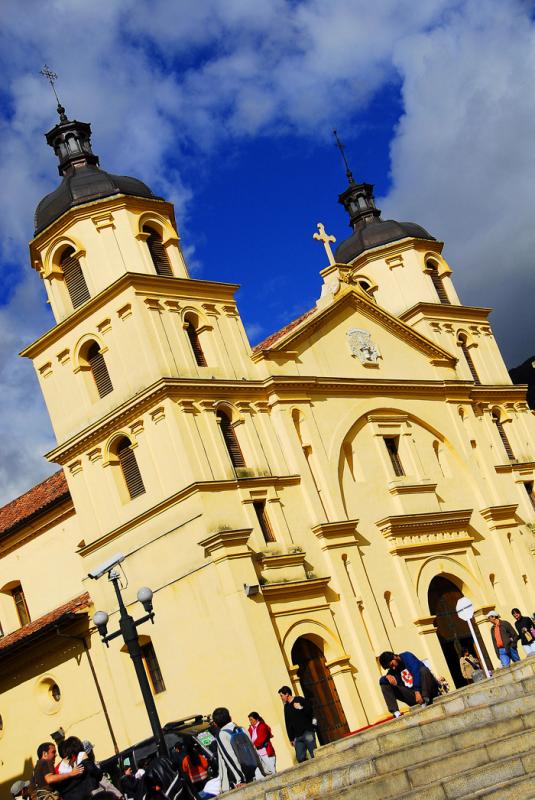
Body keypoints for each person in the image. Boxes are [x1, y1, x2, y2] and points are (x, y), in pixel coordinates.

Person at [211, 706, 263, 791]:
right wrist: (263, 770)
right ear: (230, 717)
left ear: (216, 724)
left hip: (240, 780)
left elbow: (230, 758)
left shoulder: (222, 735)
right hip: (255, 772)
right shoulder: (242, 729)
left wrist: (240, 779)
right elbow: (253, 750)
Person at [378, 651, 440, 717]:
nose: (393, 668)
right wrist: (385, 678)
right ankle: (396, 713)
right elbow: (382, 681)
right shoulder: (393, 670)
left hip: (427, 691)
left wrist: (417, 691)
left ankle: (425, 700)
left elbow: (416, 672)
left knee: (424, 670)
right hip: (414, 697)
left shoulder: (407, 656)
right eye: (390, 667)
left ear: (394, 657)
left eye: (392, 665)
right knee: (385, 685)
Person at [278, 686, 316, 763]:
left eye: (281, 695)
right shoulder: (286, 707)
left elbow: (310, 711)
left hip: (307, 732)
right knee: (300, 758)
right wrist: (291, 738)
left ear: (287, 694)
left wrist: (301, 707)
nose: (281, 698)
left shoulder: (299, 699)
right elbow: (288, 723)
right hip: (297, 737)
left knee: (314, 753)